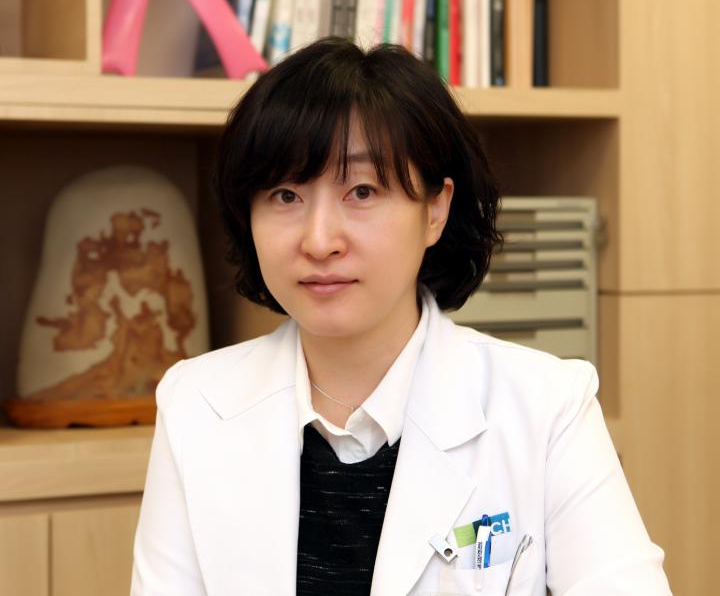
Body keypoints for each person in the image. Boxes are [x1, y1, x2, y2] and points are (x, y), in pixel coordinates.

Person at [130, 38, 672, 596]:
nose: (319, 241)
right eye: (286, 195)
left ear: (435, 209)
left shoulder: (547, 406)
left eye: (362, 191)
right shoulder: (195, 404)